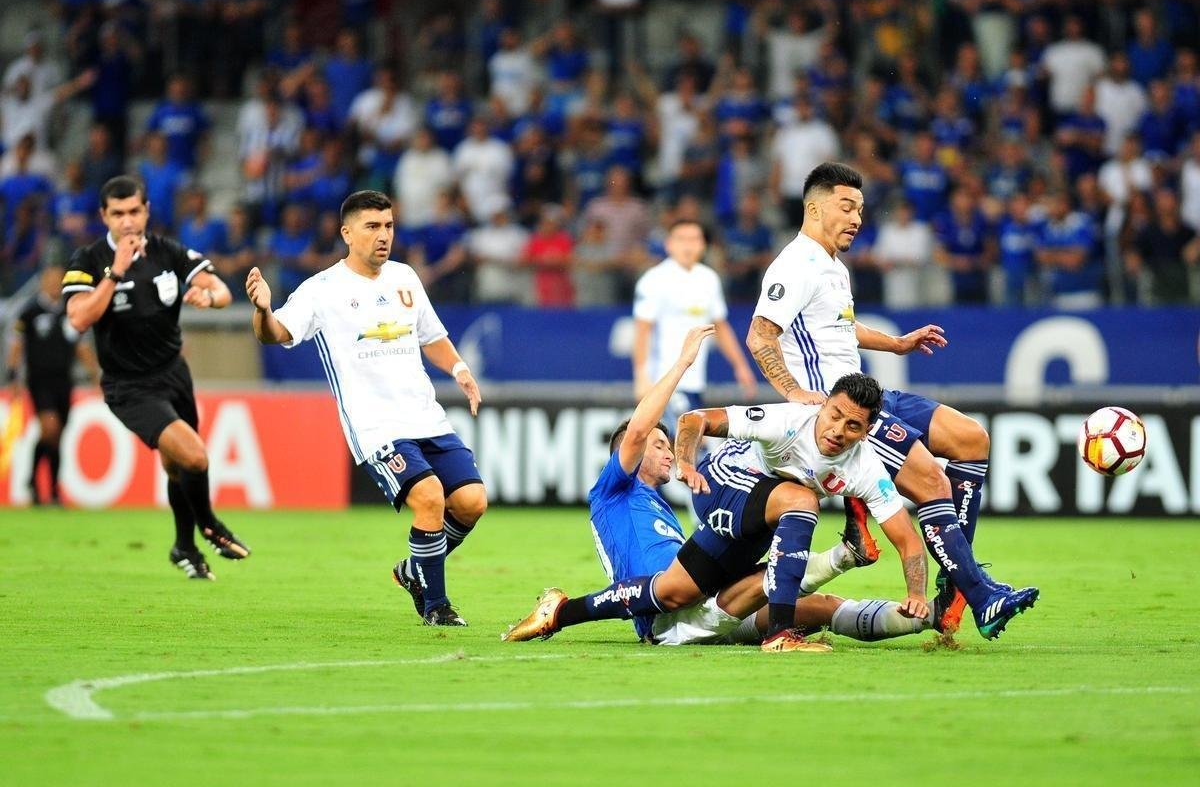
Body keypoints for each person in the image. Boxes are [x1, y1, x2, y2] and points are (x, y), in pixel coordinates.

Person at [744, 162, 1036, 630]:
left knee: (971, 439)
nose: (857, 218)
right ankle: (980, 596)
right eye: (846, 206)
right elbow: (761, 335)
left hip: (869, 392)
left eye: (860, 208)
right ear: (814, 207)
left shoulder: (831, 265)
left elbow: (839, 327)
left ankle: (954, 580)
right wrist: (795, 393)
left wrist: (897, 343)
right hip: (844, 413)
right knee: (934, 486)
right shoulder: (795, 264)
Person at [502, 371, 958, 651]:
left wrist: (915, 591)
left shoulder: (865, 467)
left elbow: (907, 537)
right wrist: (683, 452)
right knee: (796, 509)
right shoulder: (613, 489)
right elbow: (679, 423)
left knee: (816, 605)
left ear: (866, 431)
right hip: (721, 500)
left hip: (712, 573)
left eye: (853, 425)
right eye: (834, 414)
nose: (838, 429)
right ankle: (814, 593)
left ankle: (922, 615)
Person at [246, 190, 487, 627]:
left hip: (425, 416)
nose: (383, 236)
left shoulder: (405, 278)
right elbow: (274, 333)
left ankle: (415, 568)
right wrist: (262, 309)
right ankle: (437, 606)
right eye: (372, 227)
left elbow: (431, 337)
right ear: (347, 233)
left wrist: (460, 368)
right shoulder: (321, 290)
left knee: (471, 502)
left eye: (389, 226)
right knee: (430, 497)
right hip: (376, 427)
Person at [61, 175, 248, 580]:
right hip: (129, 386)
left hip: (174, 375)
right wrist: (116, 272)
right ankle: (211, 526)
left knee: (177, 468)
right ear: (104, 216)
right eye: (118, 214)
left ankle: (184, 548)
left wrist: (208, 297)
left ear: (146, 210)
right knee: (196, 456)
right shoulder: (88, 260)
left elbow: (220, 290)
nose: (127, 221)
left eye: (134, 211)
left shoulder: (167, 251)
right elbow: (78, 317)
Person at [632, 219, 757, 432]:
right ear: (669, 244)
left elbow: (720, 327)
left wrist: (740, 365)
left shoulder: (709, 279)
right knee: (686, 439)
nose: (688, 245)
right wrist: (641, 375)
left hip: (695, 380)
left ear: (702, 245)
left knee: (684, 445)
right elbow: (642, 330)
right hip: (663, 379)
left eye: (694, 239)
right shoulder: (654, 280)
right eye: (681, 239)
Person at [7, 265, 99, 504]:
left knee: (57, 436)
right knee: (50, 428)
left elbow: (82, 346)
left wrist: (95, 374)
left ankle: (48, 488)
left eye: (59, 280)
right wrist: (13, 375)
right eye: (50, 280)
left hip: (63, 380)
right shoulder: (30, 311)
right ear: (42, 282)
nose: (54, 284)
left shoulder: (70, 311)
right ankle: (40, 484)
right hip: (39, 381)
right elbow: (16, 345)